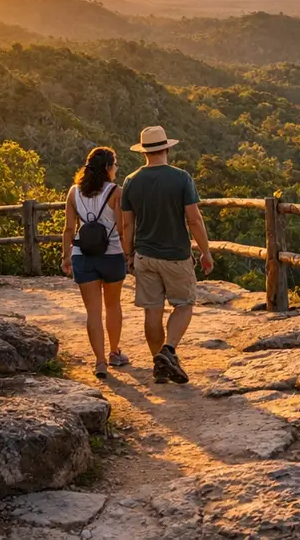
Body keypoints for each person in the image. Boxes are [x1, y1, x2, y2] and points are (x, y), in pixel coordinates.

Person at [120, 125, 213, 385]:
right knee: (183, 305)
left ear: (144, 152)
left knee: (152, 311)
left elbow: (127, 224)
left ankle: (160, 366)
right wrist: (205, 251)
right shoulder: (181, 178)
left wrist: (128, 254)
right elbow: (194, 219)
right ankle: (168, 351)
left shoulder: (130, 180)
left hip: (144, 256)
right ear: (167, 148)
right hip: (176, 255)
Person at [61, 147, 129, 380]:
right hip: (111, 255)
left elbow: (69, 229)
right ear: (108, 168)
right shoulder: (115, 191)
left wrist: (65, 256)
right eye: (115, 165)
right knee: (113, 306)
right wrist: (128, 254)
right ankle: (114, 352)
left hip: (82, 255)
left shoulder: (73, 192)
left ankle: (100, 362)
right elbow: (122, 228)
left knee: (93, 312)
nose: (116, 169)